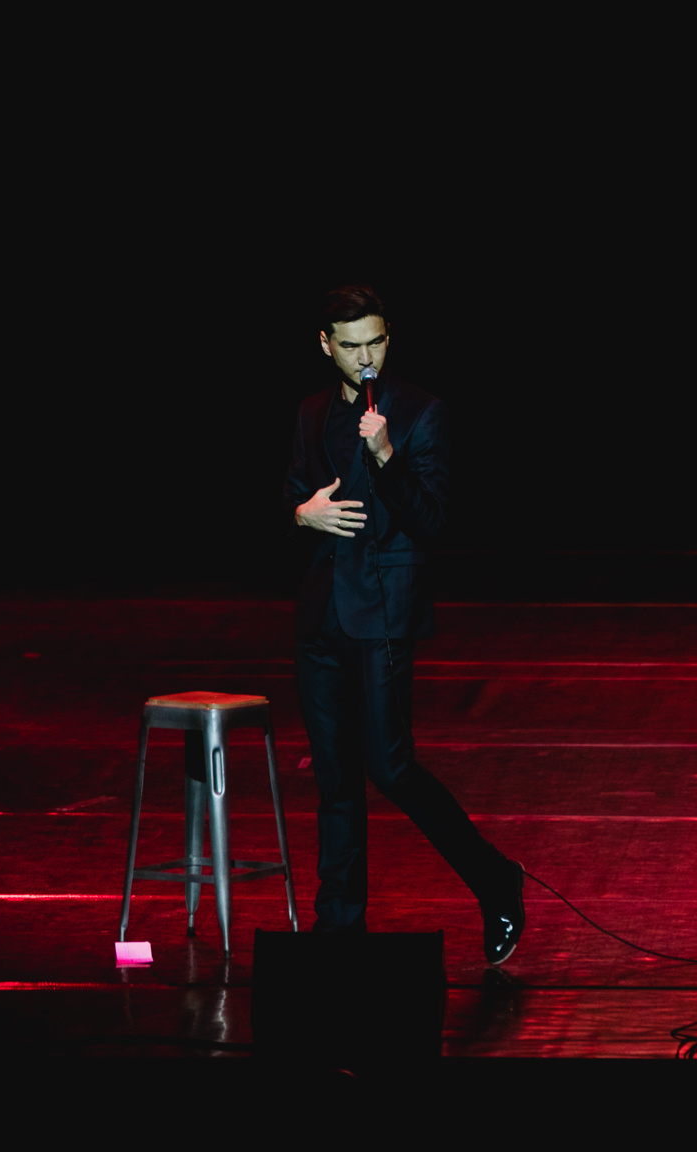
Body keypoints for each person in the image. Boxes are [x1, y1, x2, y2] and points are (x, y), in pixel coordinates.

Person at [284, 284, 524, 964]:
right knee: (334, 774)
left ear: (389, 337)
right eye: (351, 345)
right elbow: (290, 495)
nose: (366, 359)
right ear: (325, 345)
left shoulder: (421, 413)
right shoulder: (308, 414)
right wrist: (304, 515)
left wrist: (386, 457)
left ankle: (494, 877)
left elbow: (433, 520)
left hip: (382, 613)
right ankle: (338, 932)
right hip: (321, 616)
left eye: (377, 343)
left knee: (390, 766)